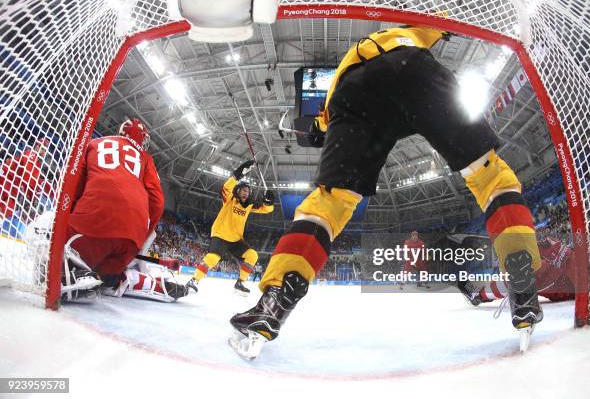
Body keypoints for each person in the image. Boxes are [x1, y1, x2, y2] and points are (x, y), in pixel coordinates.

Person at [230, 23, 542, 358]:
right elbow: (443, 21)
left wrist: (316, 130)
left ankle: (275, 302)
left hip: (353, 96)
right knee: (489, 175)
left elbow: (318, 129)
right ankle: (522, 284)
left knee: (330, 201)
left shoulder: (337, 80)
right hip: (412, 68)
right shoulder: (408, 29)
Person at [62, 119, 184, 302]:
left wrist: (70, 221)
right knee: (108, 278)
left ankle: (78, 274)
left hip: (93, 225)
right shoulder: (145, 157)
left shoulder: (93, 144)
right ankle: (126, 279)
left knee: (52, 248)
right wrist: (142, 235)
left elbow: (74, 186)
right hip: (130, 241)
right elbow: (157, 201)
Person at [186, 160, 274, 296]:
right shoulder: (230, 199)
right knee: (212, 258)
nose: (246, 193)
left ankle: (240, 283)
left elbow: (266, 210)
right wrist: (239, 174)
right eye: (243, 190)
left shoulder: (249, 206)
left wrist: (269, 202)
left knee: (252, 255)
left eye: (248, 191)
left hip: (236, 240)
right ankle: (193, 281)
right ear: (238, 191)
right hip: (220, 235)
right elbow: (226, 187)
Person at [458, 233, 575, 305]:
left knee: (519, 277)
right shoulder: (545, 249)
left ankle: (478, 296)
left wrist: (480, 296)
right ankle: (479, 296)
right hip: (570, 271)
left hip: (570, 277)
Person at [0, 138, 50, 223]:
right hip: (4, 180)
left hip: (11, 186)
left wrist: (33, 196)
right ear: (37, 146)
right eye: (42, 148)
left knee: (8, 208)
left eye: (45, 150)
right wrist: (33, 194)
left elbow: (30, 179)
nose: (43, 152)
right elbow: (28, 176)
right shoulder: (31, 154)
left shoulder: (37, 163)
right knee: (8, 206)